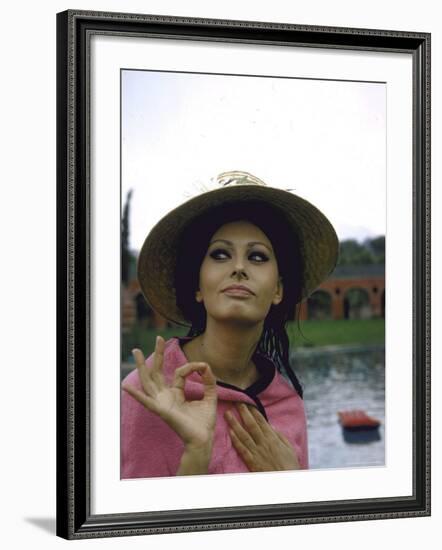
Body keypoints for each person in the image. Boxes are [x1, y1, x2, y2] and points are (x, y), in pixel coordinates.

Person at [121, 171, 338, 478]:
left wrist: (290, 479)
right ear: (198, 285)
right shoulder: (147, 393)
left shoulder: (288, 406)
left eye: (258, 257)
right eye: (220, 254)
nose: (238, 268)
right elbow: (136, 524)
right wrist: (196, 454)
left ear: (278, 290)